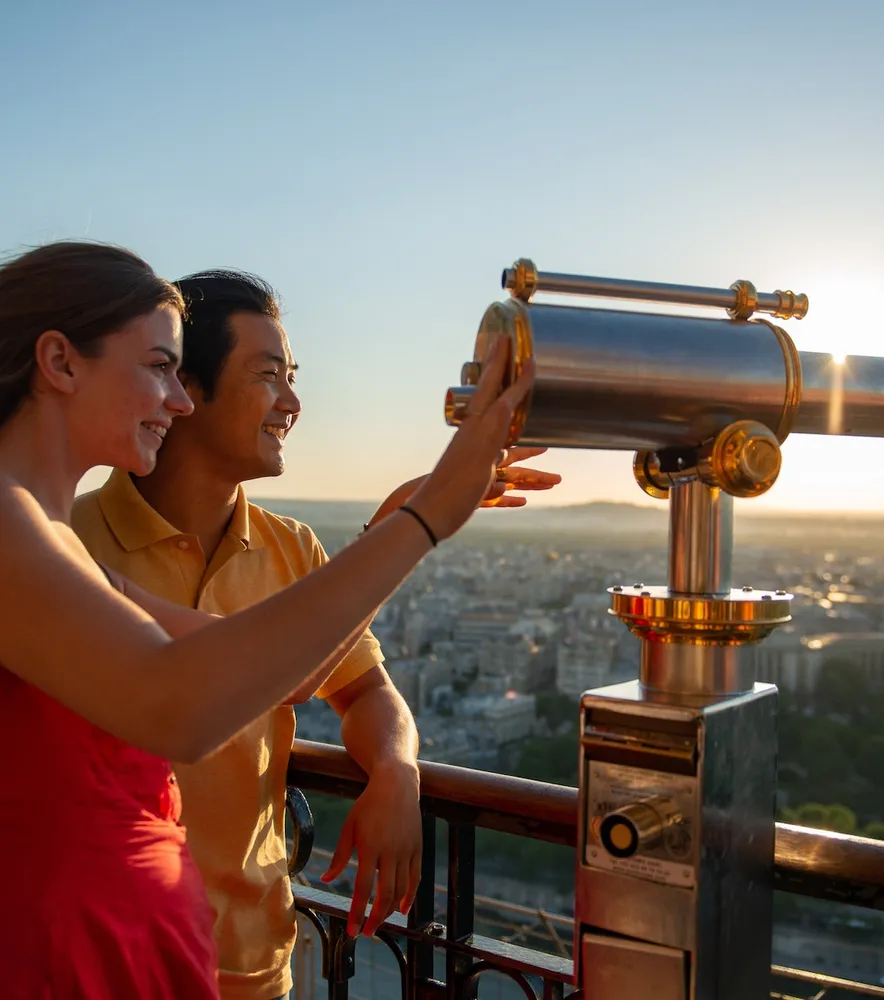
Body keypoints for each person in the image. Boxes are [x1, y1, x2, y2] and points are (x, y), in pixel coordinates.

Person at [0, 240, 539, 1000]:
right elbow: (180, 705)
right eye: (159, 367)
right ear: (59, 363)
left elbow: (262, 672)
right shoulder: (13, 526)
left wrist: (400, 528)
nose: (177, 399)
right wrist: (425, 518)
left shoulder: (48, 538)